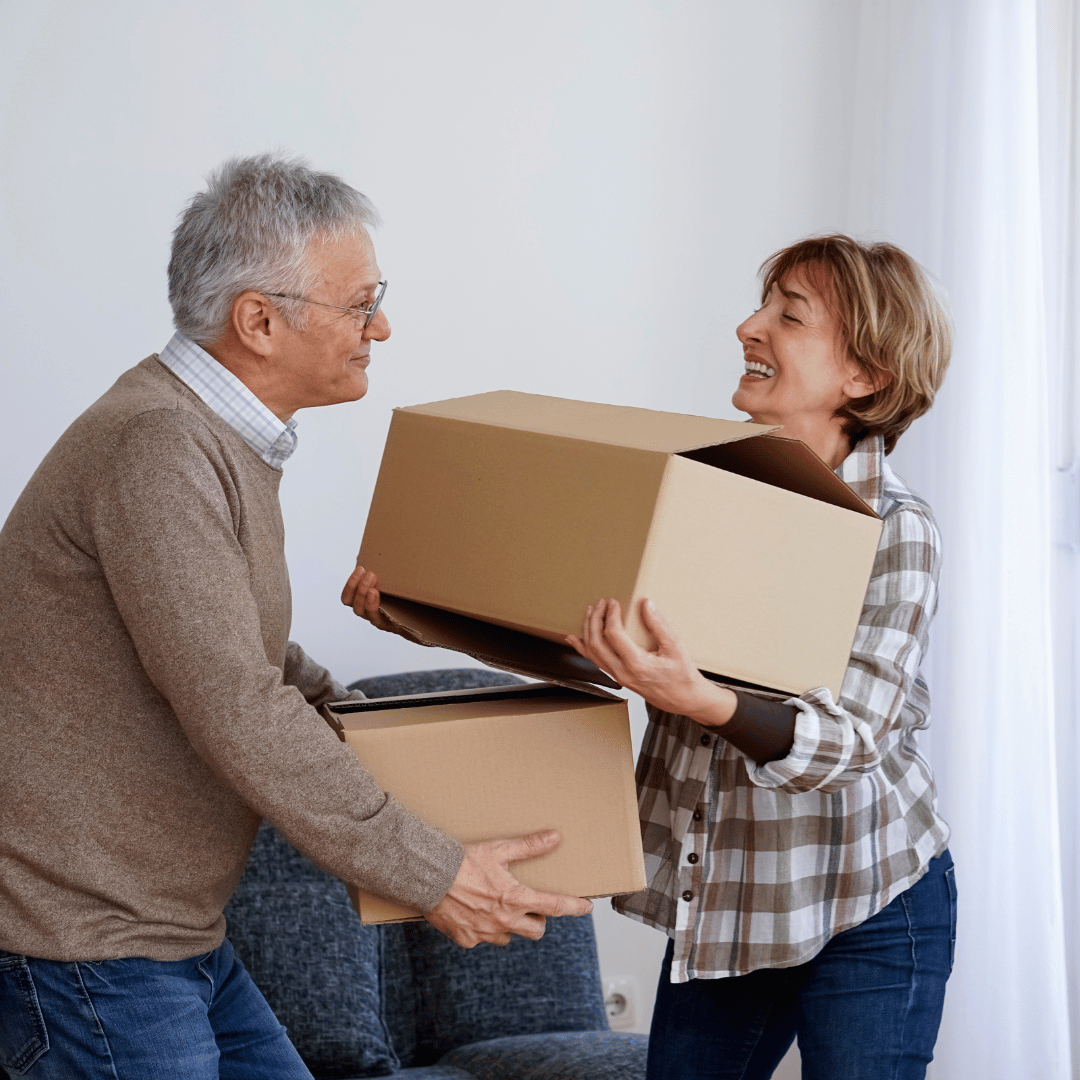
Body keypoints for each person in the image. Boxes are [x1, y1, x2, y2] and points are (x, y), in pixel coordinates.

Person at [0, 153, 590, 1080]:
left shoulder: (213, 440)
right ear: (259, 322)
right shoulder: (158, 446)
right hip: (88, 946)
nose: (381, 327)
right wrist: (434, 873)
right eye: (360, 304)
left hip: (168, 935)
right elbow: (236, 702)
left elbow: (252, 655)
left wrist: (387, 721)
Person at [564, 236, 955, 1080]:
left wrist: (703, 700)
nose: (748, 326)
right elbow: (618, 645)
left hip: (870, 900)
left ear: (867, 376)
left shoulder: (895, 530)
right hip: (736, 910)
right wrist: (432, 613)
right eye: (760, 305)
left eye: (788, 315)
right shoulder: (698, 489)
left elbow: (849, 741)